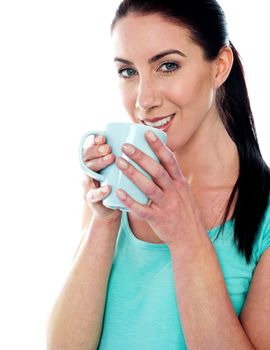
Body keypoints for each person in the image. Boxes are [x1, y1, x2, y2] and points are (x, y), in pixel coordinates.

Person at [47, 0, 270, 349]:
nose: (144, 99)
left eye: (167, 65)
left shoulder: (265, 214)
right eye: (128, 72)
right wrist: (103, 222)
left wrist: (186, 237)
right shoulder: (117, 189)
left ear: (220, 66)